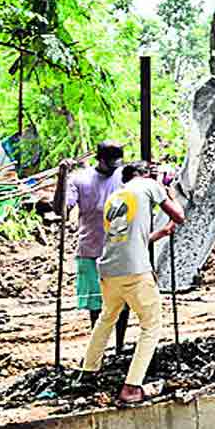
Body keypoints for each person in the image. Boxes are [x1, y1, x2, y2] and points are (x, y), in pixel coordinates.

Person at [78, 161, 185, 405]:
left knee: (107, 318)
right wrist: (170, 194)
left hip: (109, 269)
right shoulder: (148, 185)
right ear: (143, 175)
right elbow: (179, 215)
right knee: (151, 325)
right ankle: (131, 387)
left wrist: (161, 233)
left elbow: (130, 238)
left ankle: (88, 371)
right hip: (135, 271)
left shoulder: (116, 196)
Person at [54, 141, 130, 354]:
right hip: (90, 249)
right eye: (110, 163)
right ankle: (99, 348)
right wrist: (62, 178)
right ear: (100, 159)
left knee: (123, 302)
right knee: (96, 305)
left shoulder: (124, 175)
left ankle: (120, 346)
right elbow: (60, 209)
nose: (114, 168)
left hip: (120, 249)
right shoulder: (80, 179)